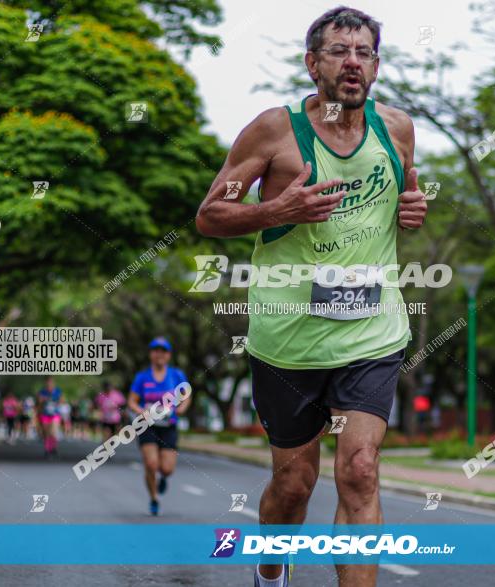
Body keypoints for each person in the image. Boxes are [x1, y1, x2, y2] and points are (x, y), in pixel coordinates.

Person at [195, 7, 428, 586]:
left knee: (360, 471)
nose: (353, 62)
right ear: (312, 63)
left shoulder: (395, 128)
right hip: (287, 340)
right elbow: (209, 214)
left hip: (371, 332)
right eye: (339, 51)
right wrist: (275, 210)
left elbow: (408, 195)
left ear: (375, 66)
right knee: (294, 487)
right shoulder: (273, 131)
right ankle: (271, 569)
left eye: (364, 52)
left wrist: (413, 209)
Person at [127, 337, 192, 516]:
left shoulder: (176, 375)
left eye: (163, 351)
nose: (159, 354)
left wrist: (181, 409)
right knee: (151, 463)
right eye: (155, 351)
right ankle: (154, 498)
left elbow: (186, 396)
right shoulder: (142, 377)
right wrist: (142, 411)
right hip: (148, 426)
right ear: (151, 354)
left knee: (167, 468)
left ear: (168, 355)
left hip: (169, 426)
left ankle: (163, 478)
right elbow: (131, 401)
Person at [37, 377, 63, 458]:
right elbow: (39, 402)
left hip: (55, 414)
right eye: (48, 383)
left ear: (53, 383)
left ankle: (54, 447)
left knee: (53, 432)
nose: (49, 384)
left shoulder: (57, 391)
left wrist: (57, 400)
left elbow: (62, 401)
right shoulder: (42, 392)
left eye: (51, 383)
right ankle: (47, 449)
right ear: (46, 383)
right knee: (47, 433)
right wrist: (43, 399)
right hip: (45, 414)